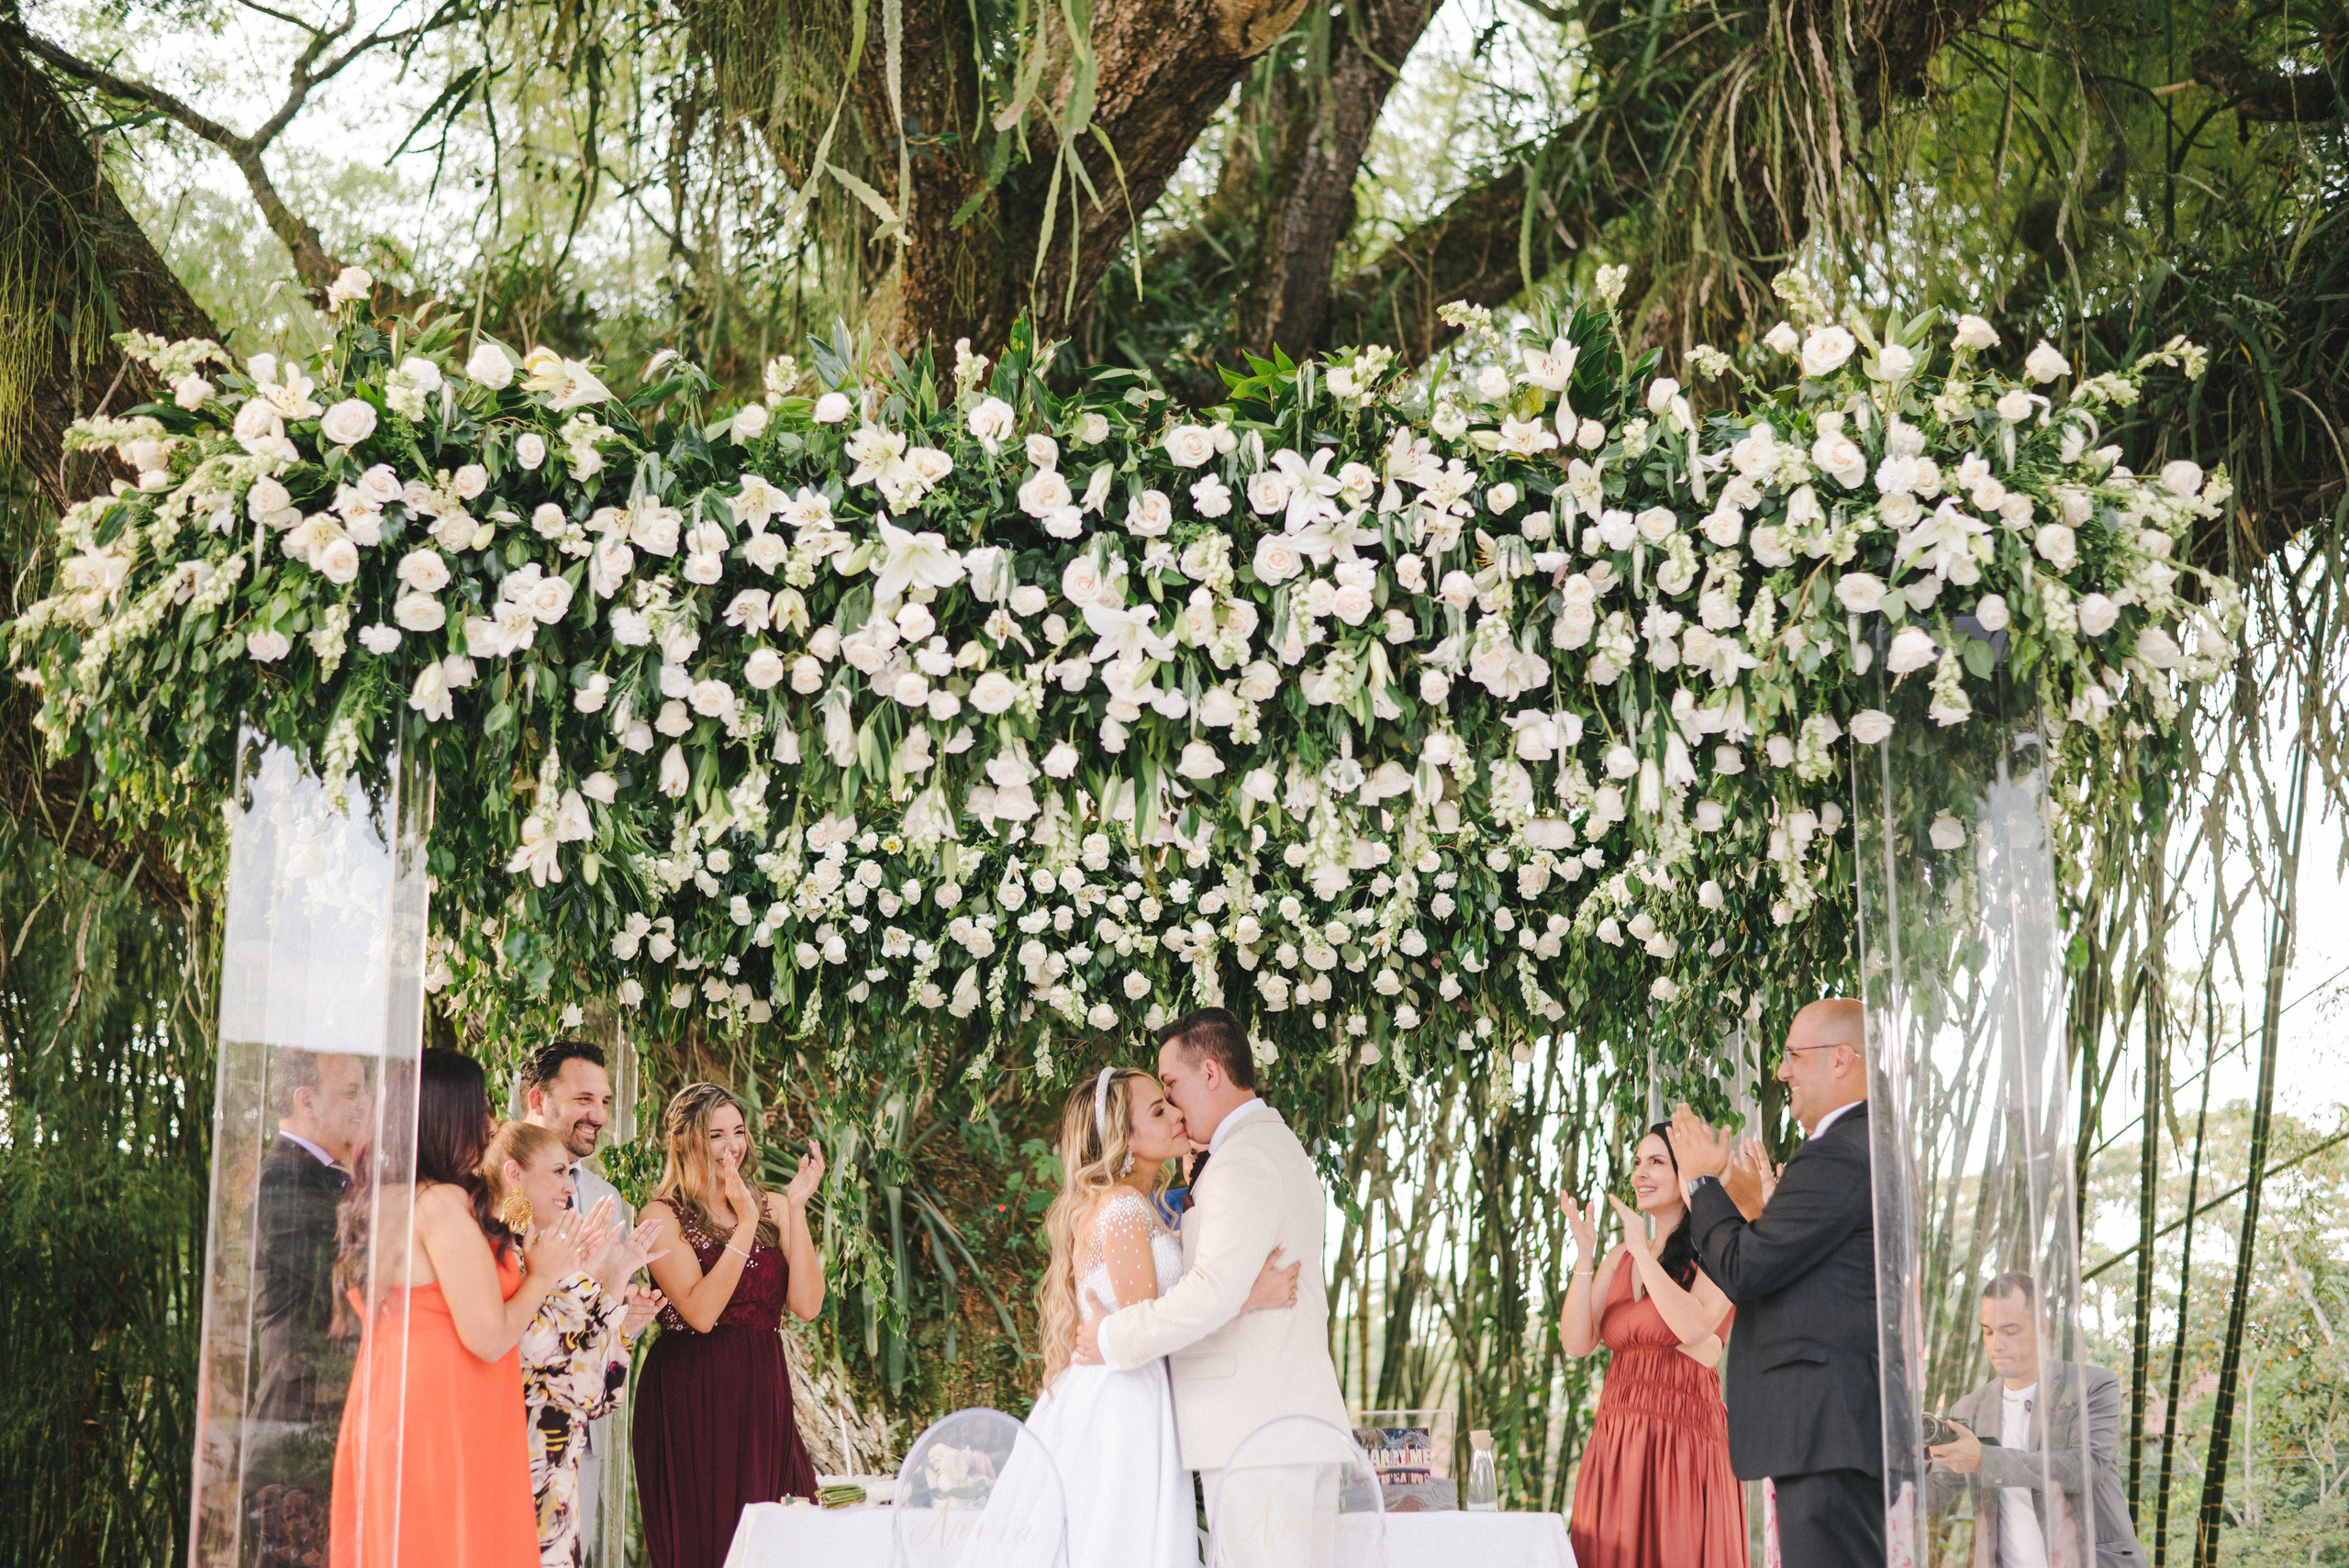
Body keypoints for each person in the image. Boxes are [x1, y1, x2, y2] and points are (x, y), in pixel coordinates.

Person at [1074, 1008, 1353, 1540]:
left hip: (1257, 1433)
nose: (1173, 1105)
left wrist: (1111, 1337)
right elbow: (1220, 1285)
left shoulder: (1241, 1158)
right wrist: (1245, 1293)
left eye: (1171, 1086)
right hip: (1277, 1429)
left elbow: (1211, 1291)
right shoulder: (1265, 1144)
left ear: (1209, 1073)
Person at [1024, 1066, 1301, 1567]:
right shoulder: (1123, 1207)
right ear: (1124, 1139)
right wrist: (1249, 1296)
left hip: (1128, 1388)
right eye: (1158, 1111)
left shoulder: (1137, 1205)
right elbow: (1147, 1328)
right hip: (1125, 1399)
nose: (1177, 1114)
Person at [331, 1049, 586, 1568]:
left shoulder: (383, 1200)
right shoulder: (440, 1204)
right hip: (445, 1413)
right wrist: (542, 1274)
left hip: (398, 1398)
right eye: (479, 1110)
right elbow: (489, 1337)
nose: (488, 1124)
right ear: (447, 1118)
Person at [1668, 998, 1883, 1568]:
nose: (1782, 1072)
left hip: (1826, 1430)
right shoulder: (1863, 1144)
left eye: (1793, 1055)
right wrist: (1744, 1206)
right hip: (1830, 1431)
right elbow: (1789, 1261)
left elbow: (1745, 1268)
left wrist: (1702, 1184)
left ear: (1841, 1059)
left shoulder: (1840, 1152)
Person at [632, 1084, 827, 1568]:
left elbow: (807, 1304)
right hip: (692, 1393)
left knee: (775, 1539)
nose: (732, 1146)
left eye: (738, 1132)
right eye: (715, 1134)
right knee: (708, 1544)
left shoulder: (775, 1207)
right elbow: (701, 1314)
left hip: (763, 1391)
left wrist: (796, 1208)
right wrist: (744, 1224)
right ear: (682, 1141)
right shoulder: (661, 1216)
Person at [481, 1119, 668, 1568]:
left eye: (570, 1173)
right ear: (515, 1174)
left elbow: (602, 1394)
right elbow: (574, 1380)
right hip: (516, 1463)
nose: (570, 1186)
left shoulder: (545, 1258)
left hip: (557, 1473)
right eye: (558, 1172)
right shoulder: (500, 1259)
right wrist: (597, 1283)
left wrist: (615, 1280)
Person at [1559, 1124, 1744, 1568]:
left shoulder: (1718, 1247)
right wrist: (1585, 1254)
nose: (1640, 1173)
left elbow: (1694, 1330)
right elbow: (1576, 1342)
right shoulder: (1619, 1257)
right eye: (1638, 1162)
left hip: (1681, 1435)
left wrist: (1643, 1252)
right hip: (1618, 1434)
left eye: (1656, 1162)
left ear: (1686, 1174)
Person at [1926, 1274, 2146, 1568]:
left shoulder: (2092, 1385)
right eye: (1988, 1332)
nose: (1996, 1344)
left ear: (2043, 1326)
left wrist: (1984, 1459)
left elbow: (2085, 1467)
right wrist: (1914, 1458)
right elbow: (1930, 1497)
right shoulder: (1971, 1408)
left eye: (2010, 1331)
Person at [519, 1038, 629, 1551]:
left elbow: (600, 1321)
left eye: (604, 1101)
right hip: (514, 1425)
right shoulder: (496, 1185)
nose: (599, 1115)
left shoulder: (607, 1198)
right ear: (537, 1100)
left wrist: (625, 1312)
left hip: (581, 1432)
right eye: (584, 1099)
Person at [253, 1049, 368, 1428]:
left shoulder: (324, 1173)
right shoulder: (282, 1177)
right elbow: (339, 1277)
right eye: (352, 1093)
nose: (365, 1105)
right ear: (306, 1102)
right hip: (302, 1411)